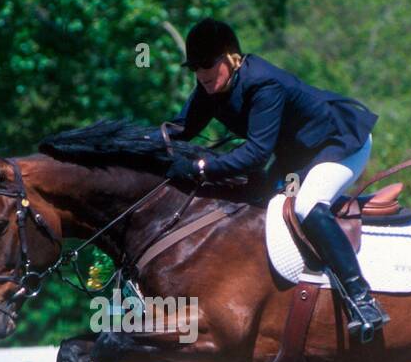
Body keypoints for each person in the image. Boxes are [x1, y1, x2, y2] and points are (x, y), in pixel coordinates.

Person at [164, 17, 389, 338]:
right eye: (195, 68)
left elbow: (256, 154)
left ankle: (363, 299)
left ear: (231, 57)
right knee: (251, 207)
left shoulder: (262, 84)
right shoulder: (210, 87)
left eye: (208, 64)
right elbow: (179, 130)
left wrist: (202, 168)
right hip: (296, 154)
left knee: (307, 205)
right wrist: (134, 146)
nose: (202, 74)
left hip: (340, 142)